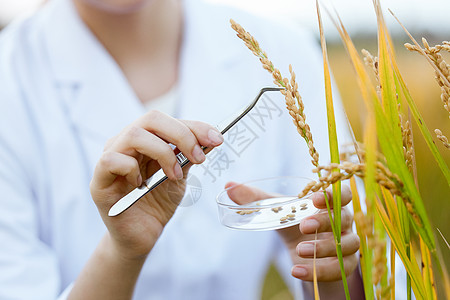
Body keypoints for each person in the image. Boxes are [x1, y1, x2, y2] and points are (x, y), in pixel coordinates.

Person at [0, 0, 365, 299]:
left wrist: (331, 276)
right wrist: (119, 255)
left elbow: (369, 270)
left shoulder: (283, 54)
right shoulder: (11, 79)